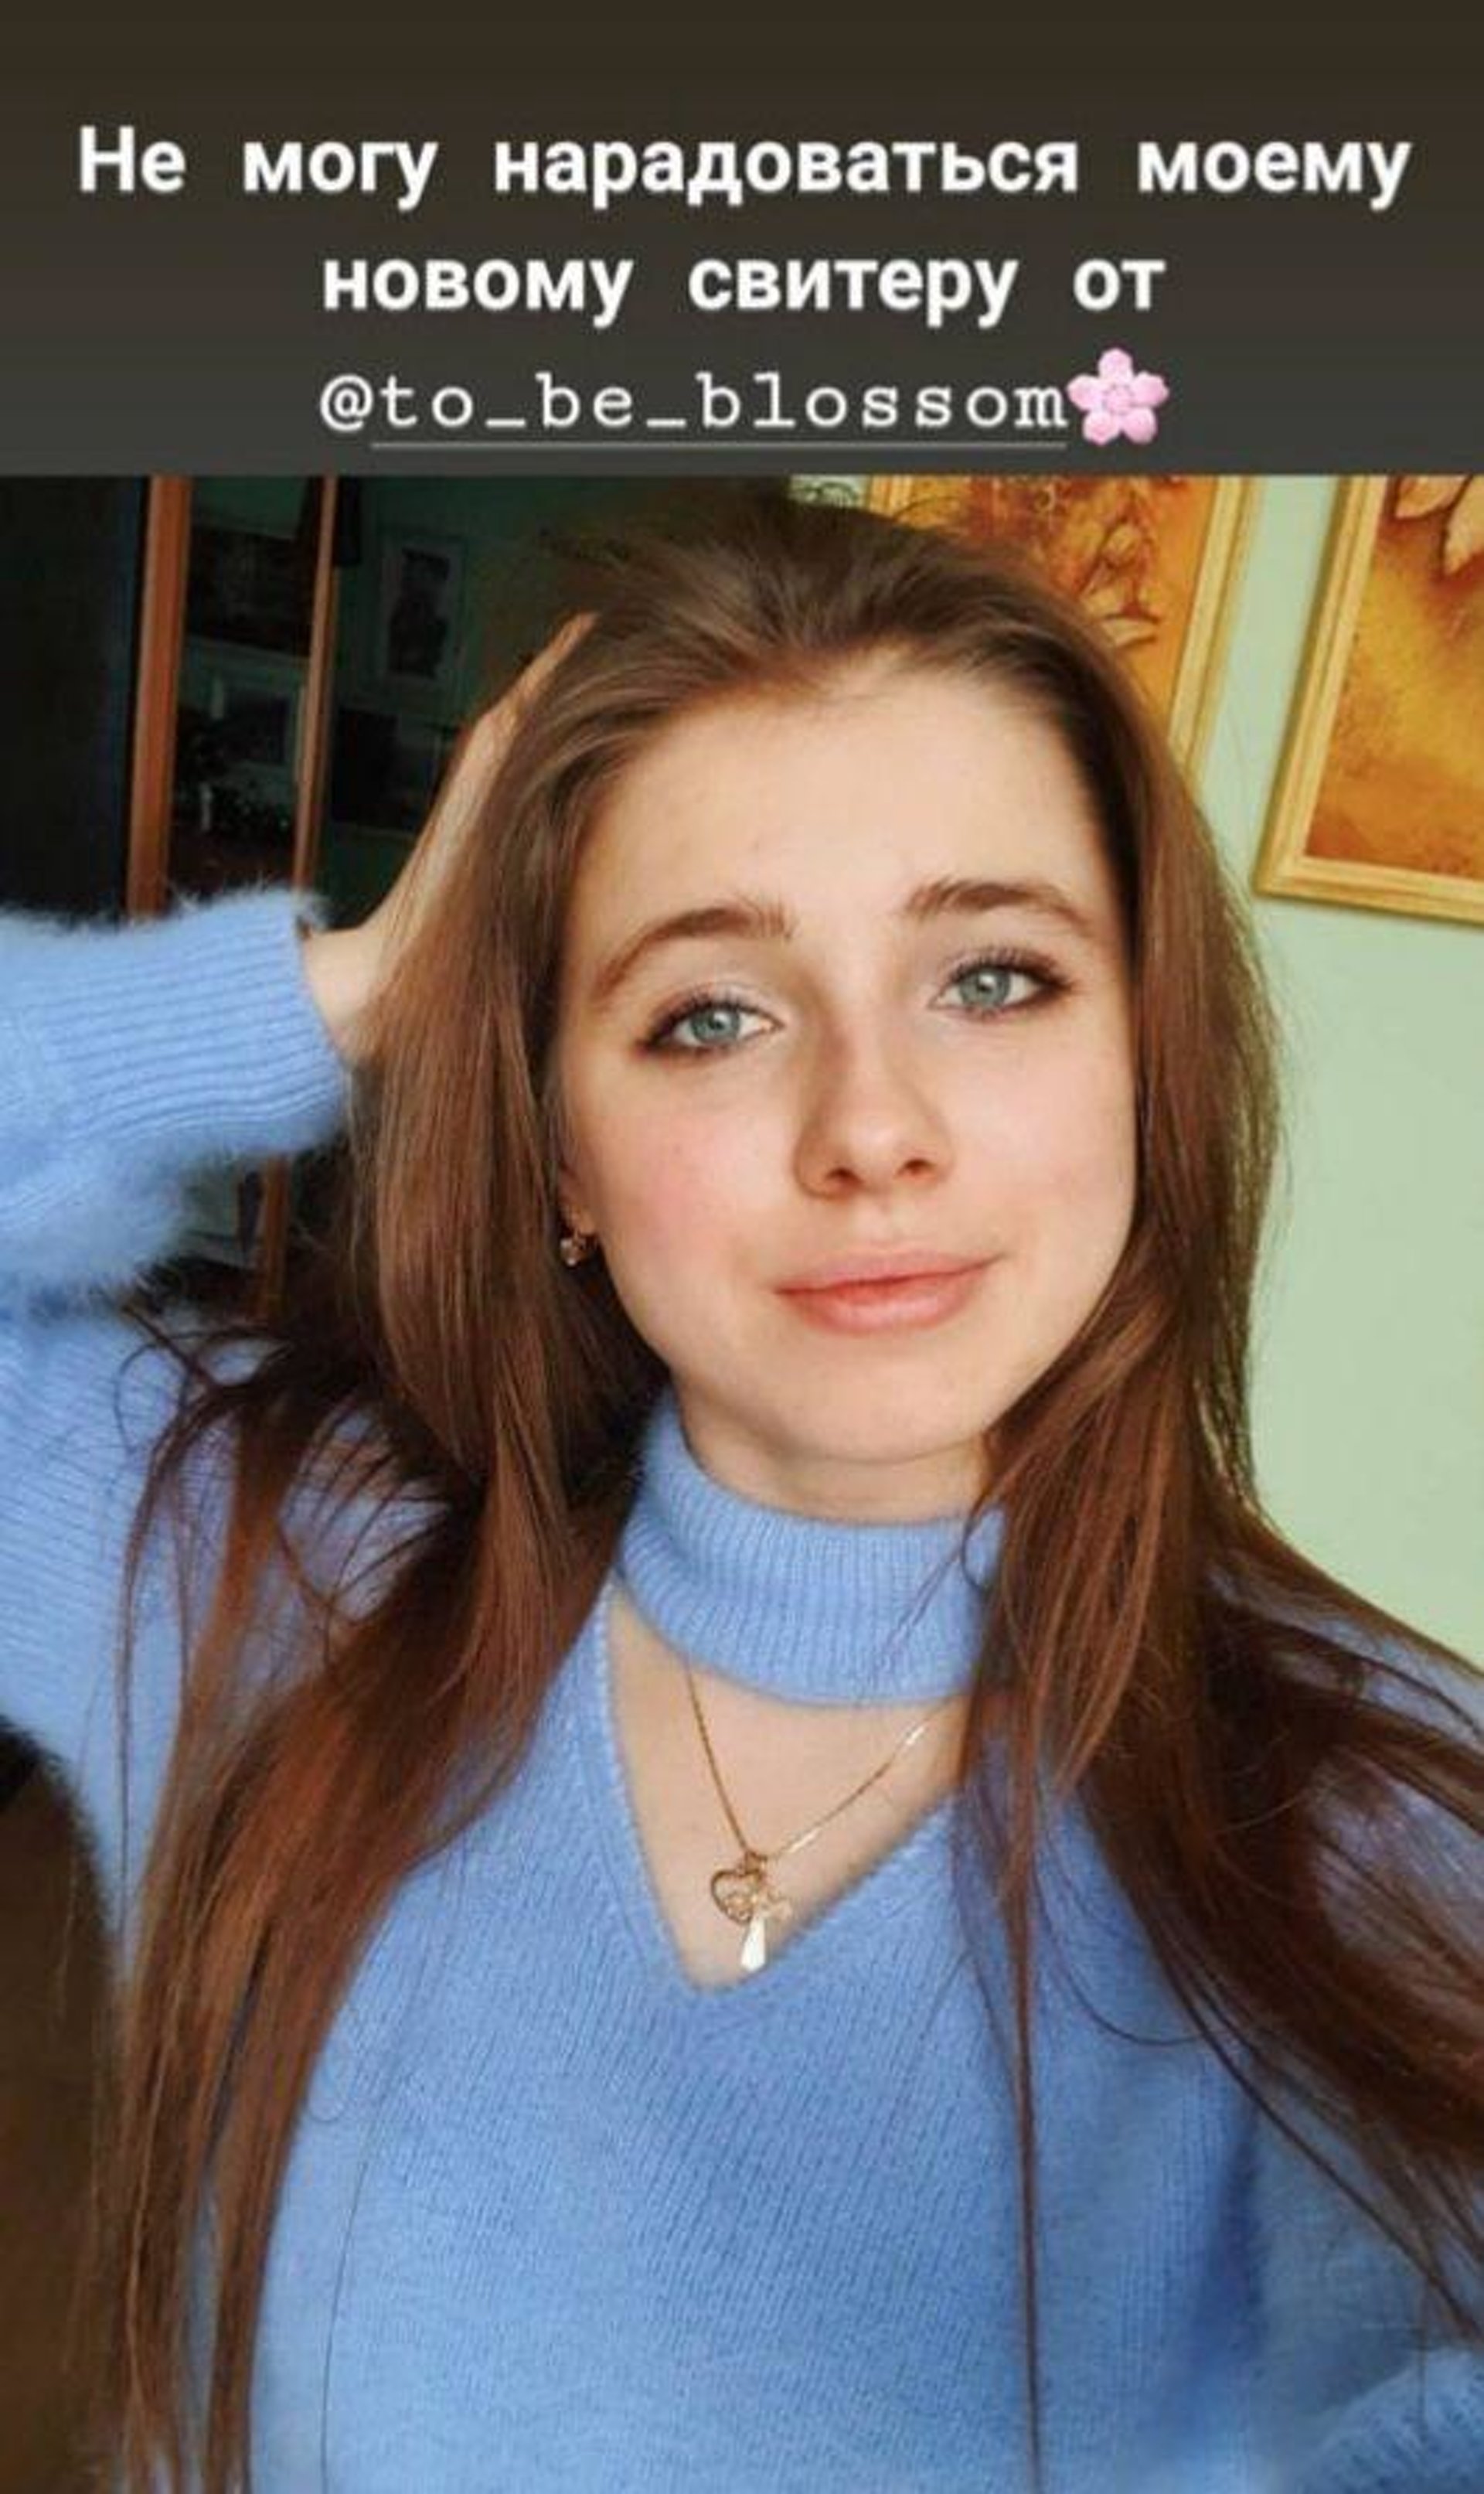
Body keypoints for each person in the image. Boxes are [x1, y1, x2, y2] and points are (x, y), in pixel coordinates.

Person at [0, 492, 1479, 2494]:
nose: (872, 1127)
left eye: (995, 978)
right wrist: (350, 990)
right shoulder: (262, 1571)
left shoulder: (1372, 1812)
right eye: (709, 1013)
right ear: (560, 1152)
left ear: (1148, 1062)